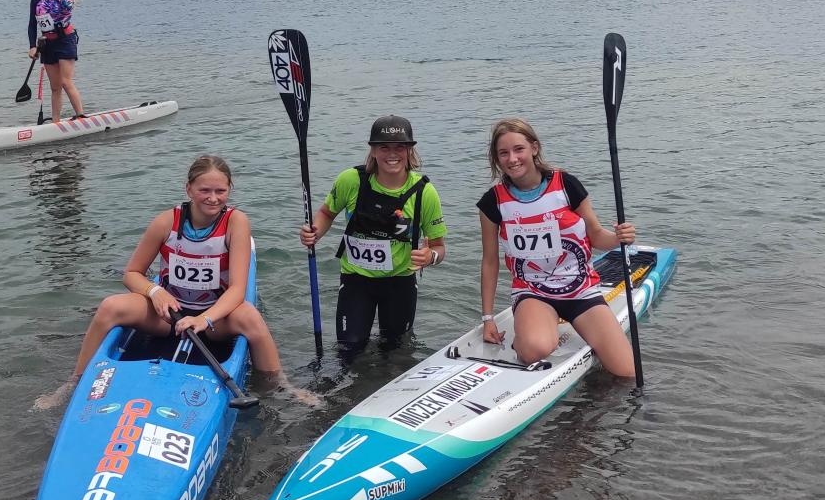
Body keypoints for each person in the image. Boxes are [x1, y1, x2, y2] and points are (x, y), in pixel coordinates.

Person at [35, 155, 306, 409]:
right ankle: (74, 382)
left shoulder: (236, 222)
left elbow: (237, 290)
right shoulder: (166, 221)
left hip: (214, 321)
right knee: (109, 307)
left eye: (220, 191)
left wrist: (205, 319)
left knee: (250, 317)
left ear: (229, 190)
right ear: (189, 189)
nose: (213, 199)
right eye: (204, 191)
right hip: (169, 317)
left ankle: (280, 384)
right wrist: (154, 292)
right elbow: (132, 274)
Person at [477, 117, 638, 378]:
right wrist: (488, 319)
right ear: (497, 159)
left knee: (627, 372)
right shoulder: (492, 202)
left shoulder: (566, 185)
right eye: (503, 153)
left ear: (534, 148)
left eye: (519, 149)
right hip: (533, 293)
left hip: (581, 291)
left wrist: (619, 238)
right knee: (534, 349)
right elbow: (490, 261)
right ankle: (529, 334)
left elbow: (596, 236)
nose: (512, 159)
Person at [299, 115, 447, 354]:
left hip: (400, 282)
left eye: (400, 147)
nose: (392, 154)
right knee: (349, 348)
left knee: (397, 352)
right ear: (373, 150)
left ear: (410, 150)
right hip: (356, 280)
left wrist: (430, 257)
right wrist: (314, 232)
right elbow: (326, 213)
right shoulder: (351, 180)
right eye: (384, 147)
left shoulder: (425, 192)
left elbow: (440, 247)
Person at [27, 0, 86, 123]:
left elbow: (69, 5)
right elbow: (32, 24)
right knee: (55, 87)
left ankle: (80, 116)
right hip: (47, 44)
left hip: (65, 40)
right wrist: (33, 46)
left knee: (66, 82)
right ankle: (55, 122)